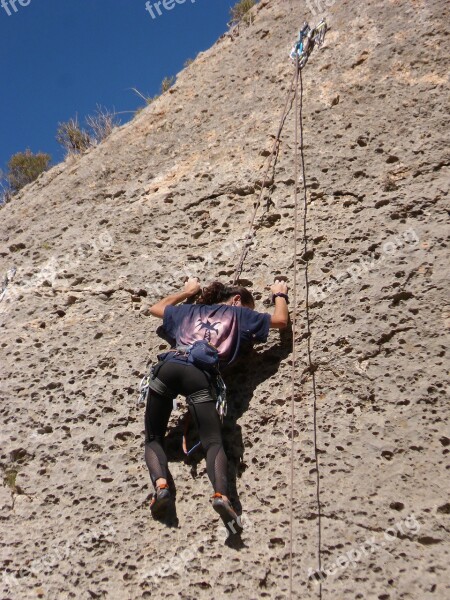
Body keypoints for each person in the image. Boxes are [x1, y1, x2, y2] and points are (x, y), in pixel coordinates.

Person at [143, 277, 289, 533]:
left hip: (169, 367)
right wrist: (279, 294)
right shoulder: (240, 315)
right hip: (200, 376)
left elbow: (156, 308)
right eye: (249, 307)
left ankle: (162, 487)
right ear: (236, 300)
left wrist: (187, 292)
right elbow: (280, 321)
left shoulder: (188, 311)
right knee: (212, 442)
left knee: (154, 437)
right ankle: (221, 495)